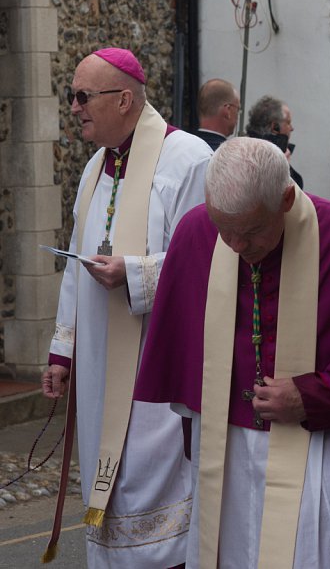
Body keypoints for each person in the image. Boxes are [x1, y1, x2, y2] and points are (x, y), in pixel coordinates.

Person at [134, 137, 330, 567]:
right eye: (226, 230)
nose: (237, 246)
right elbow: (181, 353)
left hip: (326, 450)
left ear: (286, 198)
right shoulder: (196, 233)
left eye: (252, 231)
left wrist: (312, 396)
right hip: (228, 450)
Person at [41, 48, 211, 567]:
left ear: (124, 99)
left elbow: (209, 259)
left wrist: (134, 274)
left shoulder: (188, 160)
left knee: (152, 489)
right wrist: (62, 352)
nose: (75, 107)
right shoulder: (96, 166)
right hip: (99, 370)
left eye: (83, 96)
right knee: (106, 487)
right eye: (73, 96)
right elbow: (75, 268)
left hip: (155, 373)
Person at [246, 94, 303, 189]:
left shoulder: (243, 148)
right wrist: (281, 167)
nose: (292, 128)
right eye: (288, 122)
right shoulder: (260, 158)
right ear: (274, 127)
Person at [194, 78, 240, 150]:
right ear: (228, 111)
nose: (238, 115)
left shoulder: (181, 146)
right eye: (238, 109)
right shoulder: (230, 155)